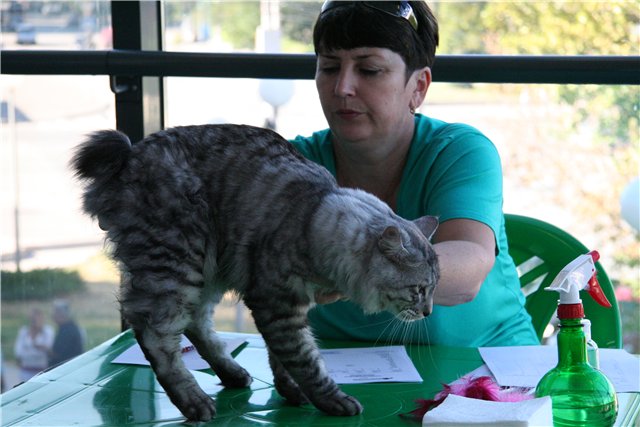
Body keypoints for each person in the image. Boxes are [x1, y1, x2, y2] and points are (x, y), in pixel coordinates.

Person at [290, 1, 538, 347]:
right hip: (332, 371)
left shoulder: (460, 150)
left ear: (418, 87)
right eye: (329, 68)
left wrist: (357, 267)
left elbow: (469, 266)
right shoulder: (292, 163)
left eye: (369, 70)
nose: (342, 87)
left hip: (487, 365)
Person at [14, 307, 54, 381]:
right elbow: (18, 349)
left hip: (41, 369)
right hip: (26, 369)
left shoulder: (47, 331)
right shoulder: (24, 331)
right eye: (33, 319)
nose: (34, 321)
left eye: (37, 318)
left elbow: (50, 347)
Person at [49, 300, 84, 367]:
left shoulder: (68, 331)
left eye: (55, 313)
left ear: (61, 314)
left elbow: (58, 354)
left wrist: (44, 349)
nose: (52, 316)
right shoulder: (67, 328)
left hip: (67, 367)